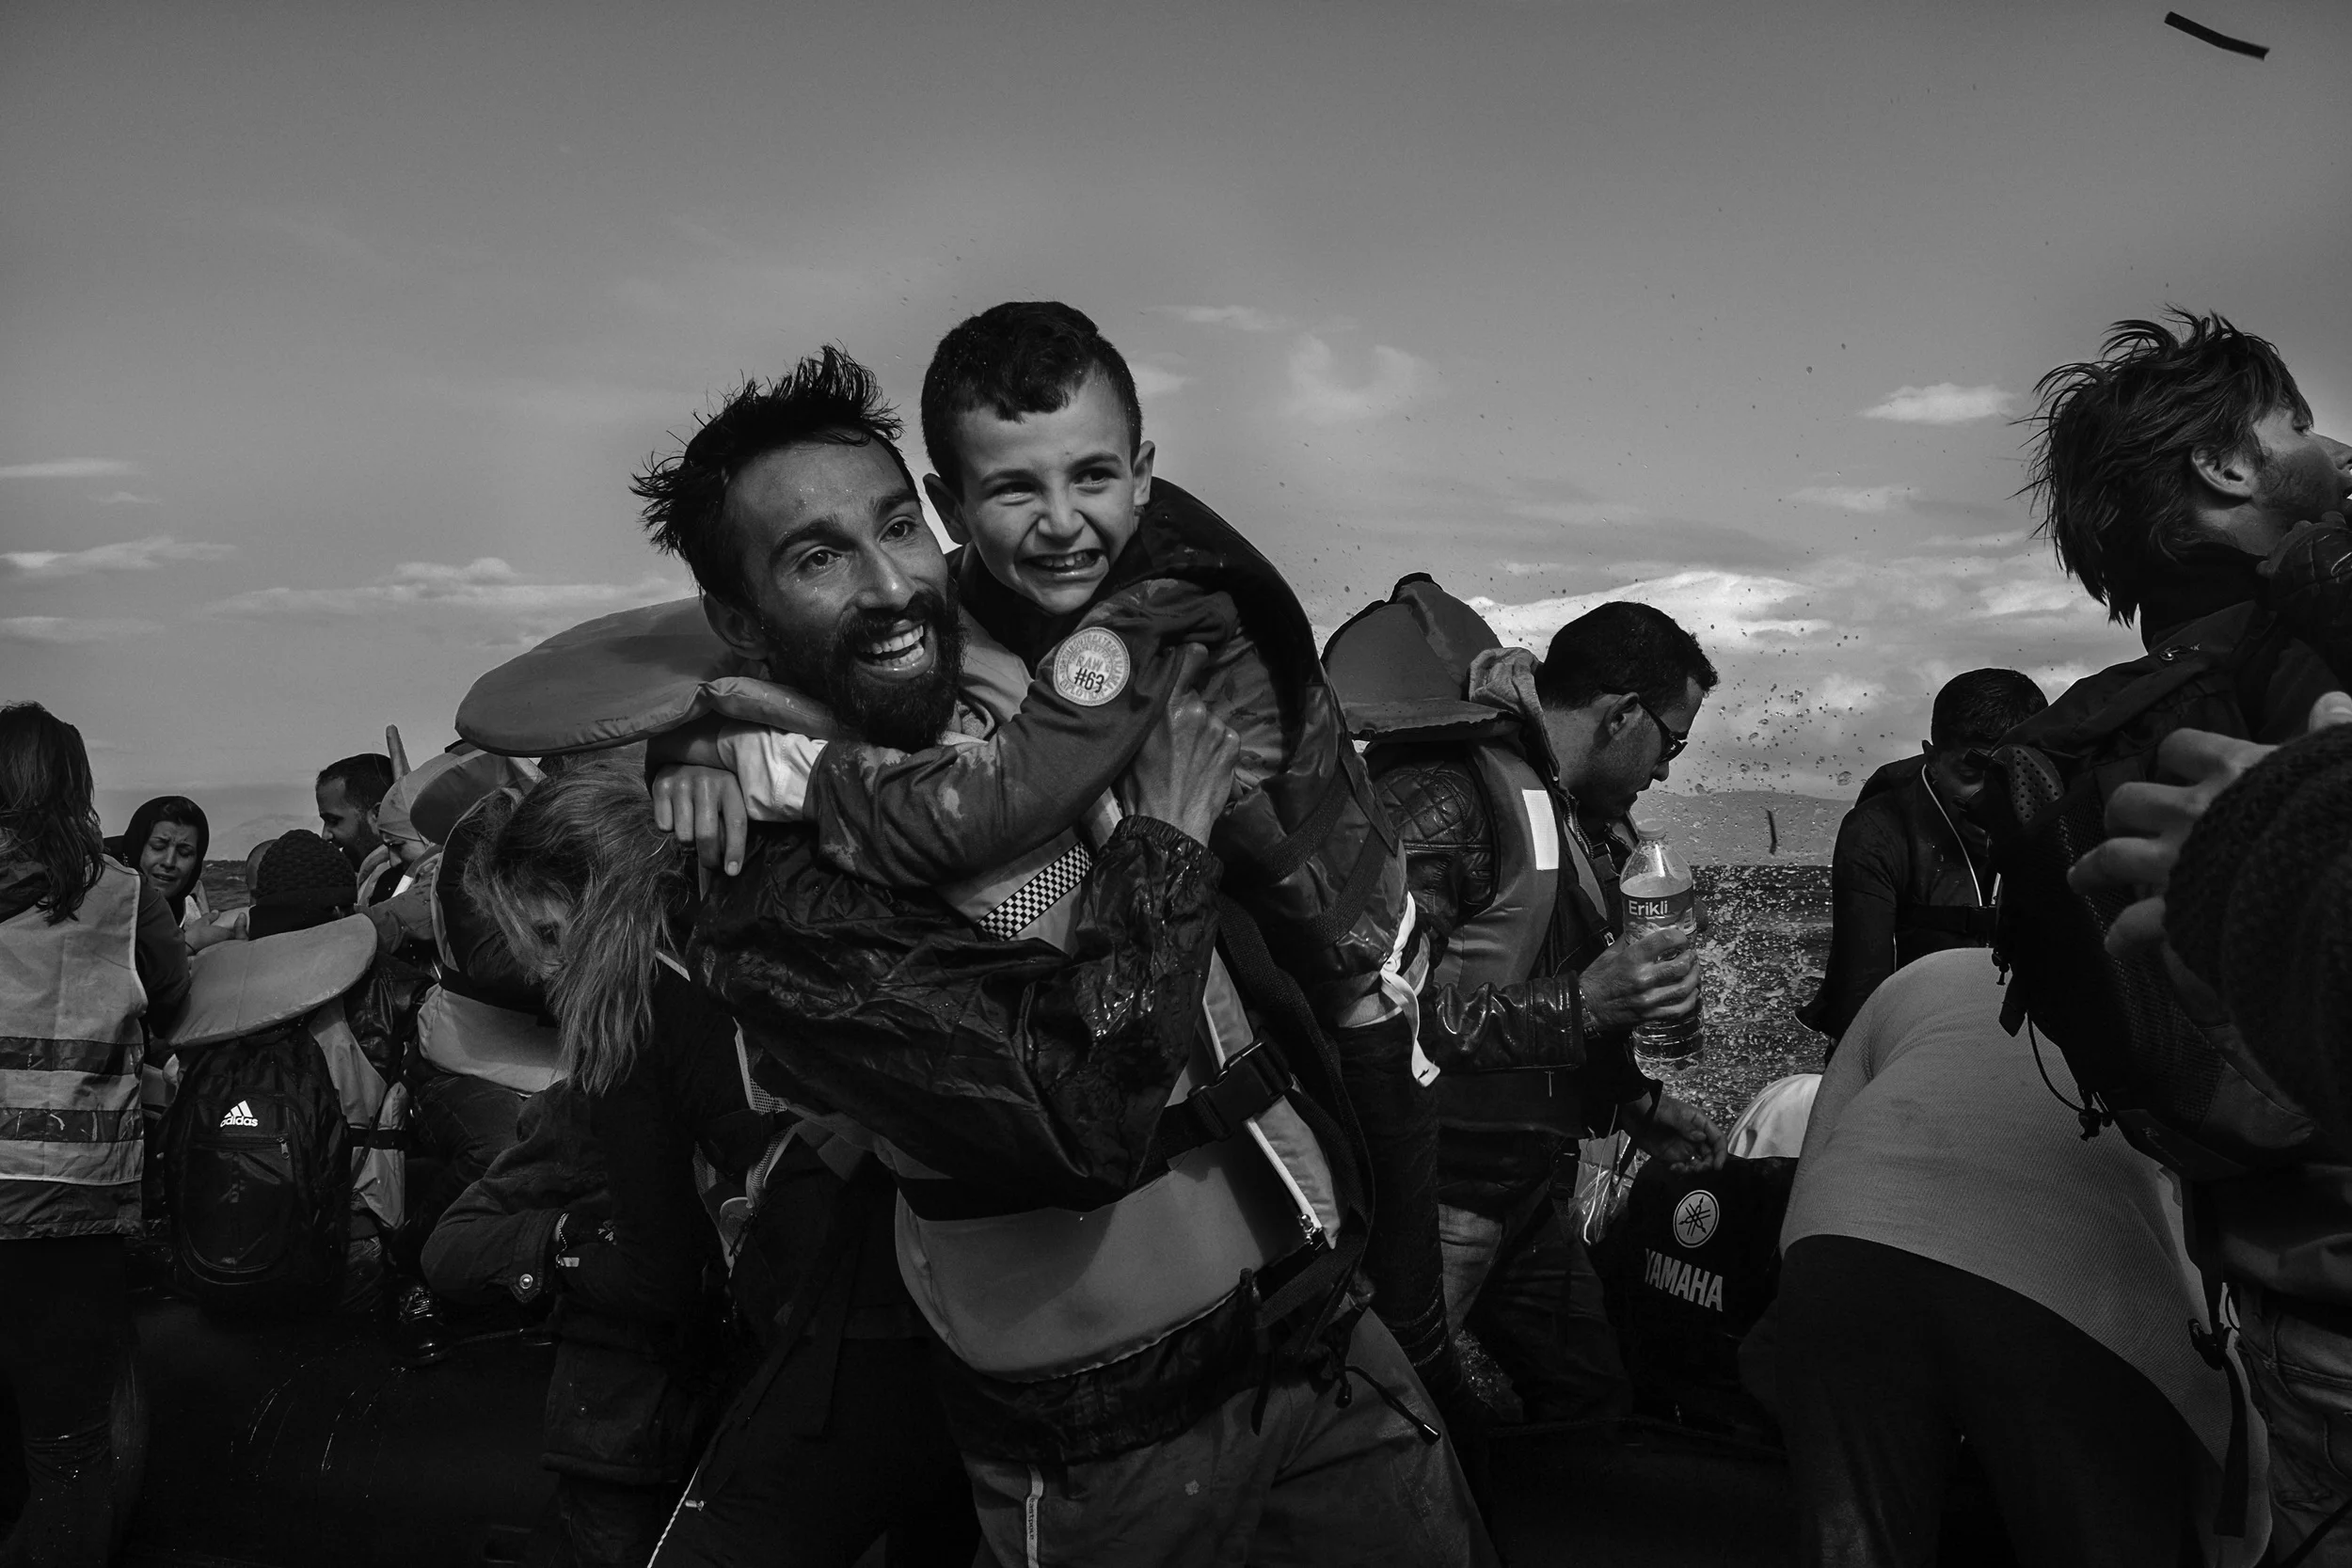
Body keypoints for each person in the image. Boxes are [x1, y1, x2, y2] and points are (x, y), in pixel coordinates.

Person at [633, 349, 1489, 1564]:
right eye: (818, 558)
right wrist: (1167, 835)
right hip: (1110, 1438)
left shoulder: (1007, 685)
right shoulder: (763, 888)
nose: (890, 584)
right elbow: (1079, 1117)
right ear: (739, 621)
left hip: (1316, 1331)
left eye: (897, 528)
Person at [2019, 309, 2352, 1562]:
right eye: (2298, 426)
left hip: (2288, 1308)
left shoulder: (2110, 729)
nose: (2331, 449)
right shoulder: (2312, 653)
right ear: (2225, 466)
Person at [1349, 591, 1725, 1424]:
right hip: (1434, 1194)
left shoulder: (1584, 819)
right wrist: (1583, 1002)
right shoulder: (1445, 793)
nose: (1667, 769)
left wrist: (1637, 1104)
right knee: (1391, 1422)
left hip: (1521, 1188)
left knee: (1595, 1401)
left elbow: (1554, 978)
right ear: (1622, 714)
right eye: (1672, 742)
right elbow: (1376, 1011)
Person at [1764, 948, 2258, 1567]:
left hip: (1848, 1238)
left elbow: (1805, 1203)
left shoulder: (1921, 976)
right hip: (2057, 1287)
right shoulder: (2176, 1017)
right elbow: (2213, 1287)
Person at [448, 767, 810, 1568]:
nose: (544, 970)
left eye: (549, 934)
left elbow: (658, 1277)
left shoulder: (630, 1010)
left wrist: (565, 1250)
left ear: (599, 891)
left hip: (804, 1324)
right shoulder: (728, 941)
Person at [0, 702, 189, 1566]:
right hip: (67, 1203)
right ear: (75, 784)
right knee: (70, 1448)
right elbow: (172, 992)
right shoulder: (122, 894)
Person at [1799, 668, 2047, 1047]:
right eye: (1971, 772)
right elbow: (1858, 999)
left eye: (2012, 775)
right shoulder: (1875, 830)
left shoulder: (2064, 818)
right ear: (1932, 758)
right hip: (1916, 1039)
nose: (1993, 797)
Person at [114, 794, 212, 930]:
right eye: (158, 847)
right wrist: (190, 942)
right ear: (136, 848)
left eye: (184, 852)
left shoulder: (191, 911)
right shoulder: (95, 897)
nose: (169, 862)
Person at [316, 752, 401, 903]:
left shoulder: (401, 884)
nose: (325, 835)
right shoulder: (369, 877)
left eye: (334, 820)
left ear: (377, 815)